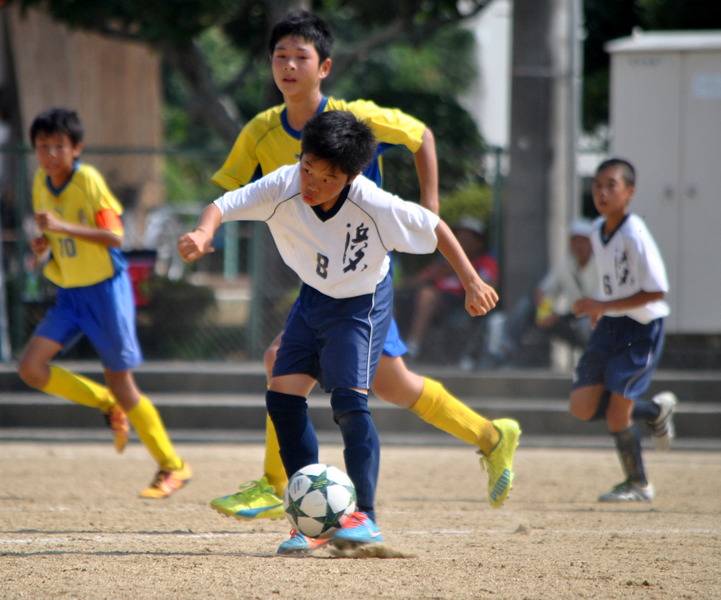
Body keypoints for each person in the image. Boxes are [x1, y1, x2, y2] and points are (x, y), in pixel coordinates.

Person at [207, 8, 521, 523]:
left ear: (323, 66)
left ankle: (277, 483)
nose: (288, 66)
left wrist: (431, 206)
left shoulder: (357, 116)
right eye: (279, 57)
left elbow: (422, 136)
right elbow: (228, 191)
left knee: (282, 361)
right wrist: (209, 231)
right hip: (317, 273)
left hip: (362, 272)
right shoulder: (261, 130)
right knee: (392, 384)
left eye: (299, 57)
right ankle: (491, 435)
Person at [180, 110, 499, 555]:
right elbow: (223, 206)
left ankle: (364, 517)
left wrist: (471, 281)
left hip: (361, 303)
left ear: (350, 177)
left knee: (349, 402)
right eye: (307, 167)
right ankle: (313, 518)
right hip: (312, 299)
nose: (310, 183)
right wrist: (202, 232)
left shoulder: (373, 203)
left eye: (325, 178)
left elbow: (436, 228)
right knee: (283, 397)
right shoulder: (283, 184)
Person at [17, 108, 191, 499]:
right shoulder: (40, 183)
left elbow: (115, 236)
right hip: (69, 295)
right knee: (30, 367)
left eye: (58, 146)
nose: (49, 154)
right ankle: (105, 403)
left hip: (105, 292)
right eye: (42, 147)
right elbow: (50, 234)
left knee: (122, 380)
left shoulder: (88, 180)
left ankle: (172, 466)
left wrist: (62, 228)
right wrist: (42, 245)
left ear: (76, 148)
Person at [568, 158, 677, 503]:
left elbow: (657, 290)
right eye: (597, 184)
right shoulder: (597, 230)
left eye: (610, 185)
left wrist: (604, 306)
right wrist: (596, 306)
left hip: (640, 327)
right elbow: (612, 283)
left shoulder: (635, 233)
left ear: (629, 192)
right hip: (611, 324)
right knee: (581, 406)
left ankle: (638, 484)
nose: (601, 191)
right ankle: (654, 411)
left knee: (617, 413)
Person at [488, 218, 598, 366]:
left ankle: (597, 362)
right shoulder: (566, 265)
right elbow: (543, 290)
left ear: (592, 243)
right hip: (569, 319)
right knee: (527, 305)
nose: (579, 245)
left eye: (583, 241)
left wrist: (557, 316)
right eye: (575, 241)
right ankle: (506, 348)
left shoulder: (601, 266)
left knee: (587, 324)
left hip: (593, 319)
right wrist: (544, 311)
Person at [404, 216, 498, 360]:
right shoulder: (445, 261)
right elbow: (414, 282)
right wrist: (437, 271)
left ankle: (413, 346)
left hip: (459, 303)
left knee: (427, 295)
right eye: (459, 238)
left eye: (468, 239)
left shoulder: (485, 262)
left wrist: (465, 274)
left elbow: (490, 288)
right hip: (431, 302)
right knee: (402, 298)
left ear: (479, 243)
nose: (461, 242)